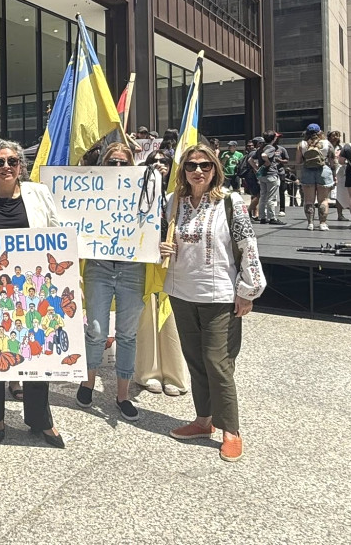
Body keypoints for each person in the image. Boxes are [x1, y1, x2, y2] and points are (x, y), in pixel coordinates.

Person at [158, 144, 266, 462]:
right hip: (181, 293)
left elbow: (247, 245)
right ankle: (203, 421)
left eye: (205, 165)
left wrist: (248, 290)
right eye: (191, 165)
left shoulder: (230, 202)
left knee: (218, 363)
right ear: (183, 171)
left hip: (219, 296)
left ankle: (231, 430)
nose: (198, 171)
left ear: (215, 169)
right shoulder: (172, 202)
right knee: (195, 361)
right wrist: (160, 247)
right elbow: (158, 238)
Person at [0, 139, 65, 448]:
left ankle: (40, 418)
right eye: (0, 162)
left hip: (33, 288)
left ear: (21, 165)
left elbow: (56, 233)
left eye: (12, 161)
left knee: (36, 349)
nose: (6, 166)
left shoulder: (39, 194)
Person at [77, 143, 146, 421]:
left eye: (122, 163)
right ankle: (88, 383)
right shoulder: (92, 191)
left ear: (131, 166)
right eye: (112, 162)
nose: (117, 167)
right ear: (103, 165)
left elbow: (157, 225)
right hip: (99, 265)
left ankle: (122, 395)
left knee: (127, 334)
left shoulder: (144, 191)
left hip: (133, 267)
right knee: (95, 330)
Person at [134, 150, 189, 397]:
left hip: (173, 265)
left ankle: (175, 375)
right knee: (146, 317)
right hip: (146, 265)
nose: (158, 164)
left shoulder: (179, 197)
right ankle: (148, 373)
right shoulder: (138, 195)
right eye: (153, 161)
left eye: (163, 161)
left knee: (171, 319)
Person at [295, 124, 334, 232]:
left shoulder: (302, 144)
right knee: (323, 200)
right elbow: (332, 160)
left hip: (307, 171)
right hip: (323, 171)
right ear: (320, 132)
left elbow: (298, 161)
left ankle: (310, 223)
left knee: (308, 200)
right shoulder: (327, 143)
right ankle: (322, 224)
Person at [253, 131, 284, 225]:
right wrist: (267, 162)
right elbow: (264, 155)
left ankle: (262, 217)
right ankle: (272, 218)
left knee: (263, 196)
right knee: (271, 197)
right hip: (271, 174)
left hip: (262, 175)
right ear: (273, 138)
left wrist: (257, 168)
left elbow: (251, 159)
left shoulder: (261, 148)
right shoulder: (270, 147)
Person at [327, 130, 348, 221]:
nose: (335, 137)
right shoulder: (326, 146)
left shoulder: (342, 147)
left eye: (337, 135)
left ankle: (340, 214)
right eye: (333, 135)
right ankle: (323, 215)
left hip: (340, 171)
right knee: (325, 194)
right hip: (327, 170)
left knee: (339, 194)